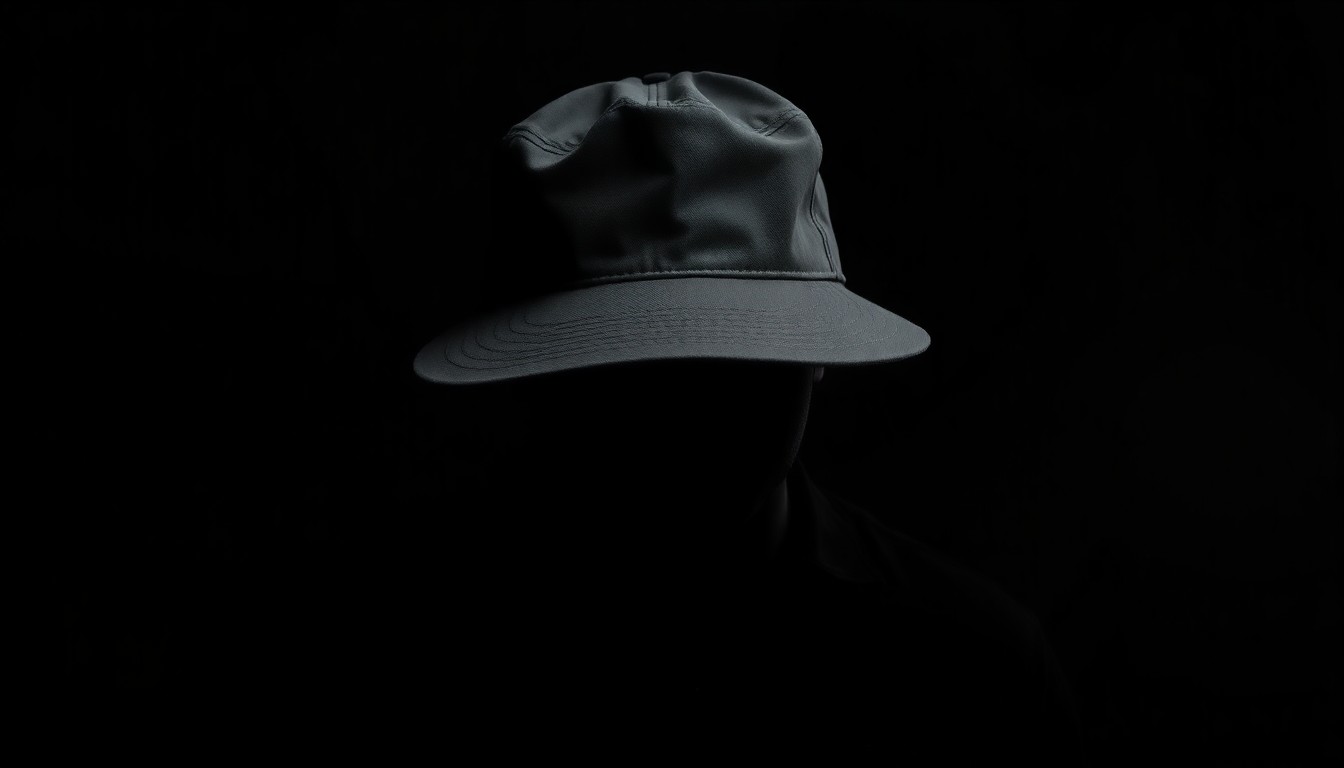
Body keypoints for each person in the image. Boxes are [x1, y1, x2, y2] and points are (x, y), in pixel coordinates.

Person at [413, 71, 1086, 761]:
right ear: (537, 388)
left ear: (817, 357)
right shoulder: (419, 649)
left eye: (729, 356)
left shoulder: (978, 672)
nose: (677, 418)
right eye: (623, 372)